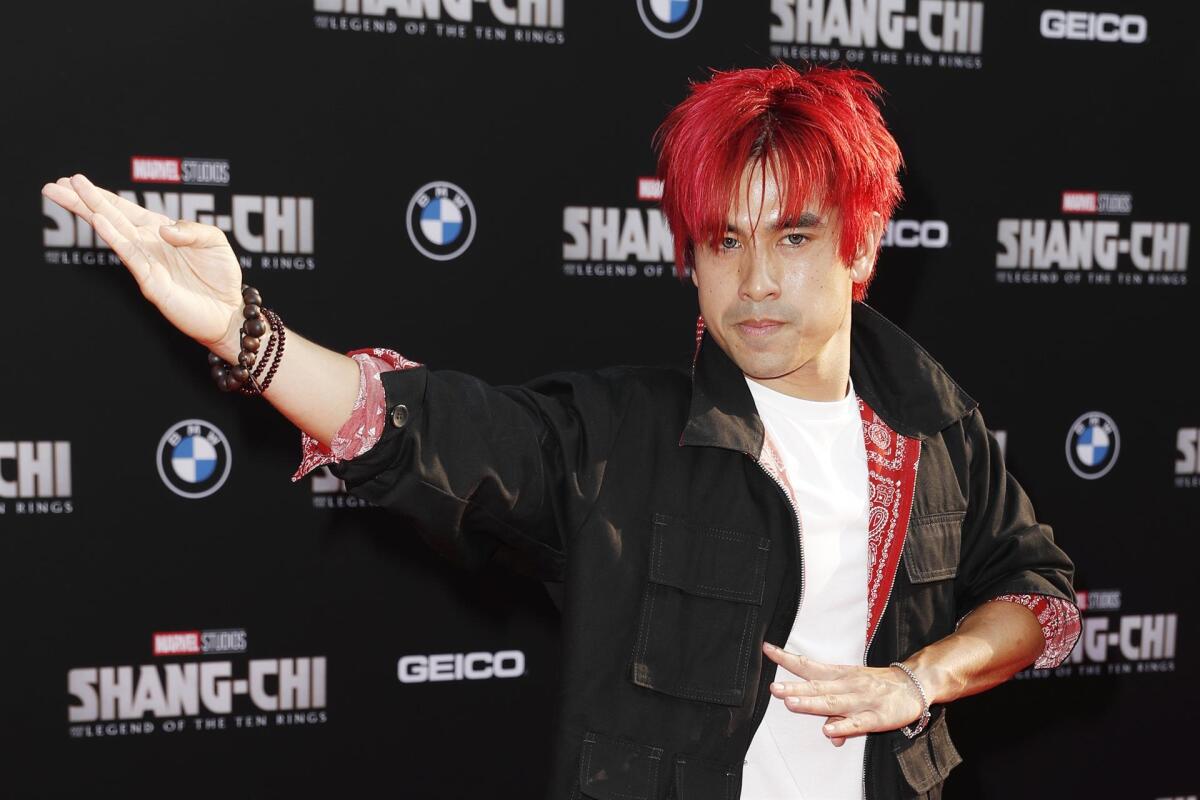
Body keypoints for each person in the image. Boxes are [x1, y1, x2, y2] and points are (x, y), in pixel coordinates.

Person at [43, 63, 1080, 800]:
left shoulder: (934, 427)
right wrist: (250, 335)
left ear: (861, 246)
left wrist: (919, 677)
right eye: (724, 240)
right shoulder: (624, 436)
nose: (757, 280)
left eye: (795, 237)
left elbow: (1043, 595)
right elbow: (432, 428)